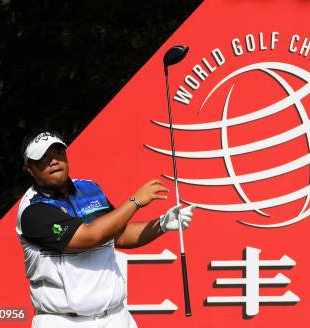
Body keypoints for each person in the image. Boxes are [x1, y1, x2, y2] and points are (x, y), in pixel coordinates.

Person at [15, 130, 194, 327]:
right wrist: (135, 201)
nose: (53, 161)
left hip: (116, 317)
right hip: (63, 321)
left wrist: (161, 224)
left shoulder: (90, 189)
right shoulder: (33, 210)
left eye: (58, 153)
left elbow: (118, 235)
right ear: (30, 169)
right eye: (43, 158)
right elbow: (90, 236)